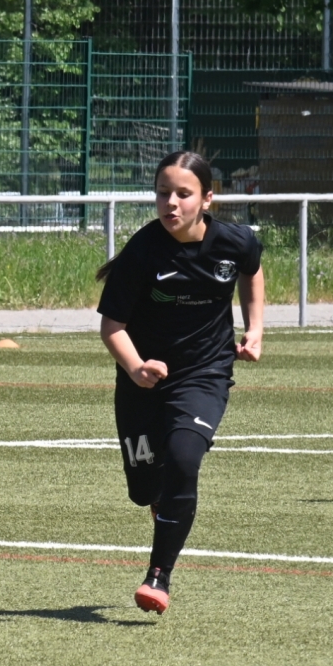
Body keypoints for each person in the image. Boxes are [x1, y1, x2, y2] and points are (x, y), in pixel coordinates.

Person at [96, 150, 264, 614]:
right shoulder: (143, 251)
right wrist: (137, 368)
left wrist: (255, 328)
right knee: (143, 490)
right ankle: (161, 503)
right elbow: (112, 327)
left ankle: (158, 576)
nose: (171, 203)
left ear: (207, 199)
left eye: (183, 194)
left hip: (205, 373)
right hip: (142, 382)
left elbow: (251, 270)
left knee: (184, 459)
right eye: (162, 193)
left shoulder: (234, 241)